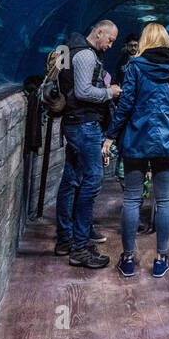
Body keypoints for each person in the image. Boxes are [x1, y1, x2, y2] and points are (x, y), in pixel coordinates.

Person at [103, 23, 169, 279]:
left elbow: (126, 105)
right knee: (164, 200)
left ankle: (128, 259)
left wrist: (111, 135)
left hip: (137, 137)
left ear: (145, 41)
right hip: (167, 139)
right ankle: (161, 259)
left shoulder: (135, 67)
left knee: (131, 199)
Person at [53, 21, 120, 268]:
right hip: (83, 125)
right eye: (110, 39)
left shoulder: (78, 51)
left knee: (71, 179)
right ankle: (80, 247)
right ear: (99, 32)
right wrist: (110, 93)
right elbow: (83, 92)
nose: (110, 45)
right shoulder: (85, 55)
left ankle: (65, 240)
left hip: (76, 124)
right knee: (93, 180)